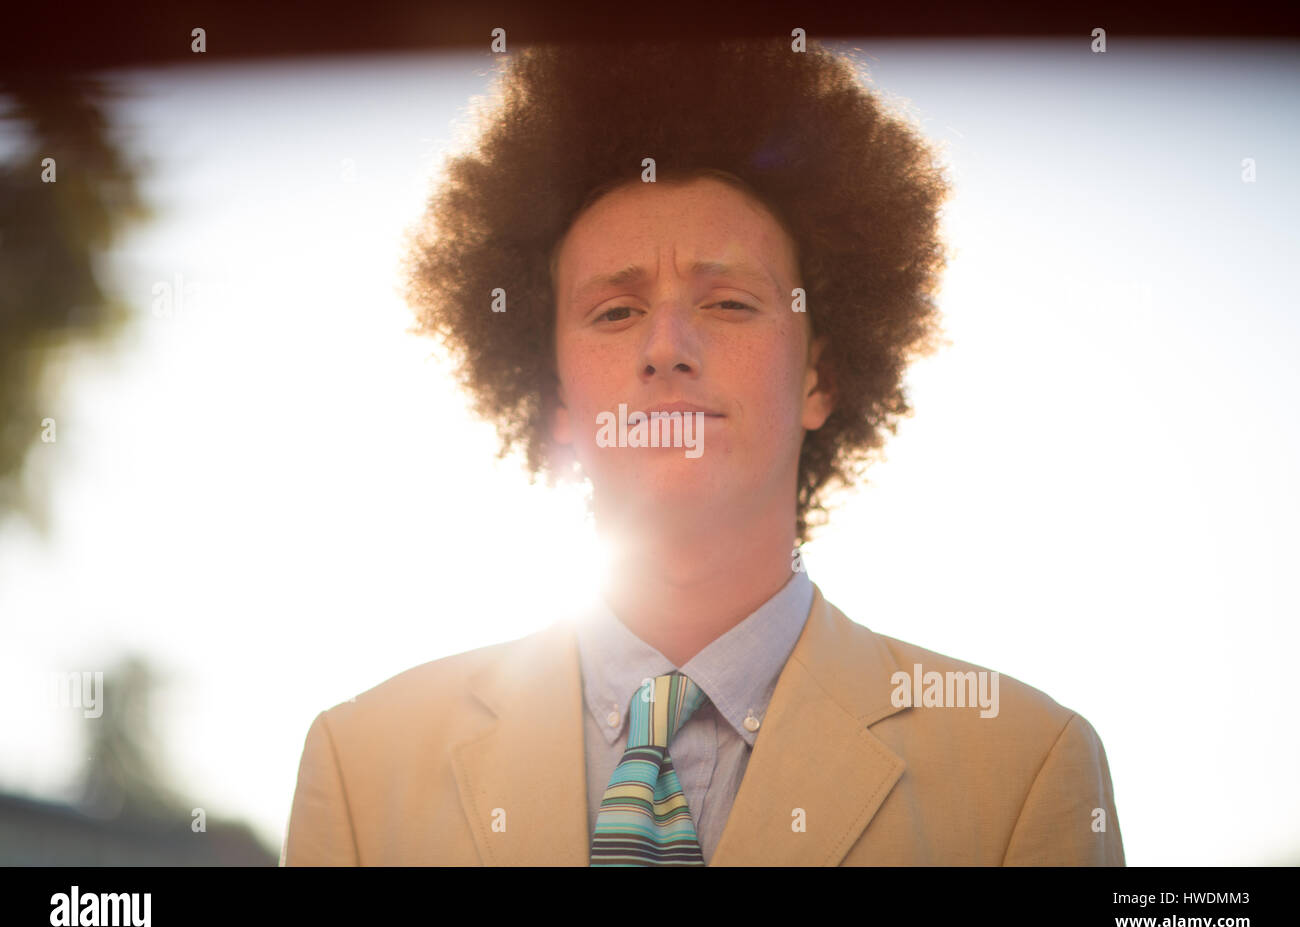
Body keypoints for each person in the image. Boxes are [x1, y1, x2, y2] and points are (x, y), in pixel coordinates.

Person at [281, 35, 1124, 866]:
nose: (667, 347)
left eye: (727, 303)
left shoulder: (1024, 770)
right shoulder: (361, 771)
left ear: (819, 378)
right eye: (615, 312)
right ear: (557, 400)